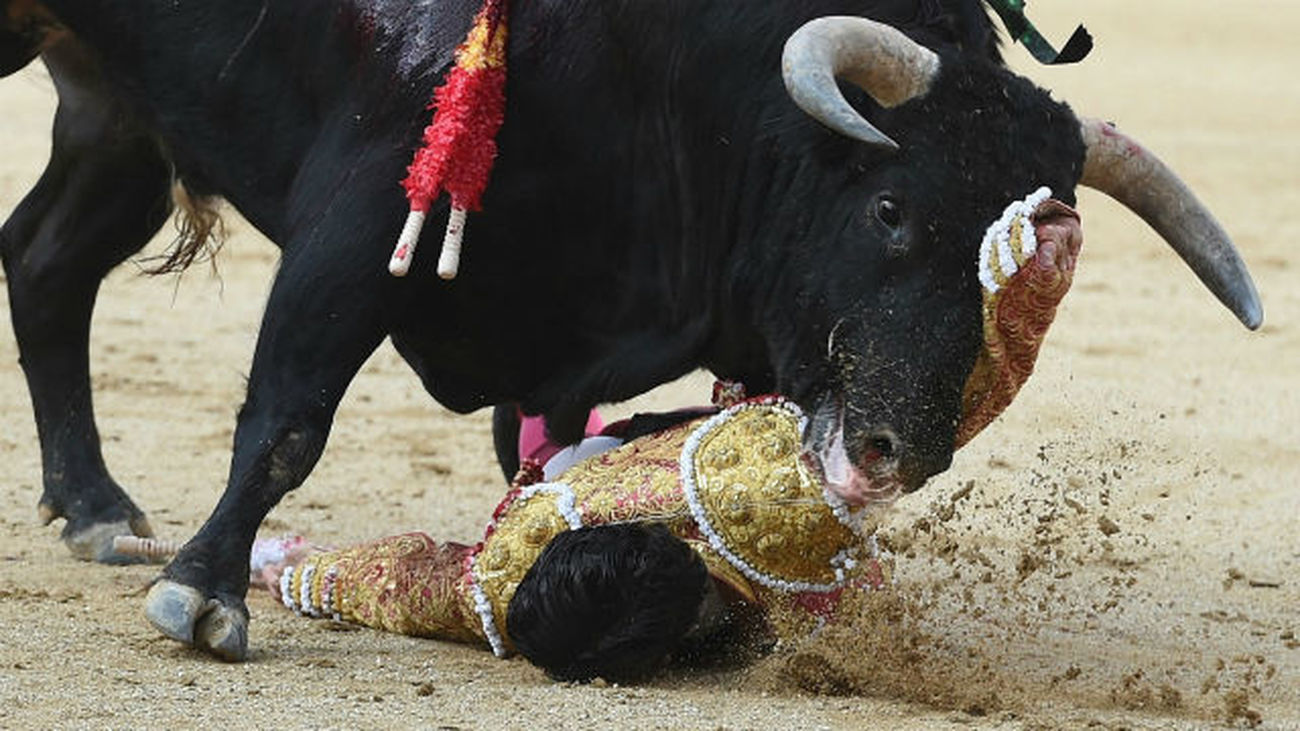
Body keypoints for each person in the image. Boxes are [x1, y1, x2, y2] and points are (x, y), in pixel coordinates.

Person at [261, 190, 1080, 683]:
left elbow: (394, 582)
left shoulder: (784, 499)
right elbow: (398, 583)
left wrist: (280, 565)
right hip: (632, 469)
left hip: (686, 438)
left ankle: (556, 414)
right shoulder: (517, 576)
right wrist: (288, 563)